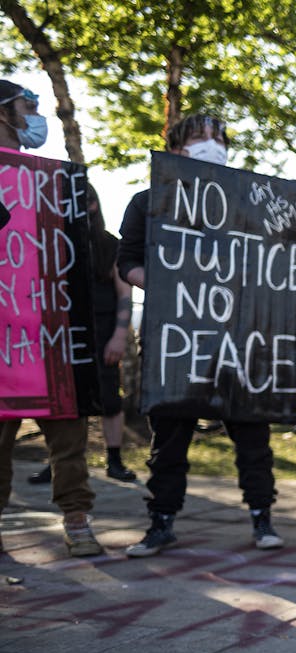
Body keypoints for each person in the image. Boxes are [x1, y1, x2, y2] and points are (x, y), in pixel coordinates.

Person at [116, 113, 285, 556]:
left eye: (218, 137)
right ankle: (162, 521)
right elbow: (126, 262)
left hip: (238, 339)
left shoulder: (249, 205)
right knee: (169, 438)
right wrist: (164, 282)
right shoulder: (147, 201)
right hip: (176, 339)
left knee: (252, 434)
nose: (212, 143)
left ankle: (262, 518)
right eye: (199, 136)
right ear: (175, 149)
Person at [0, 79, 101, 558]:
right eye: (27, 104)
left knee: (68, 434)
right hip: (2, 337)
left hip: (54, 333)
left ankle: (77, 520)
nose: (35, 112)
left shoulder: (60, 180)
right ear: (3, 112)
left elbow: (95, 249)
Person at [28, 186, 139, 487]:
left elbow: (124, 293)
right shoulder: (53, 243)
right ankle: (58, 461)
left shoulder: (109, 245)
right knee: (64, 399)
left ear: (92, 205)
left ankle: (114, 461)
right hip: (62, 335)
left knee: (108, 398)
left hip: (103, 334)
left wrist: (119, 335)